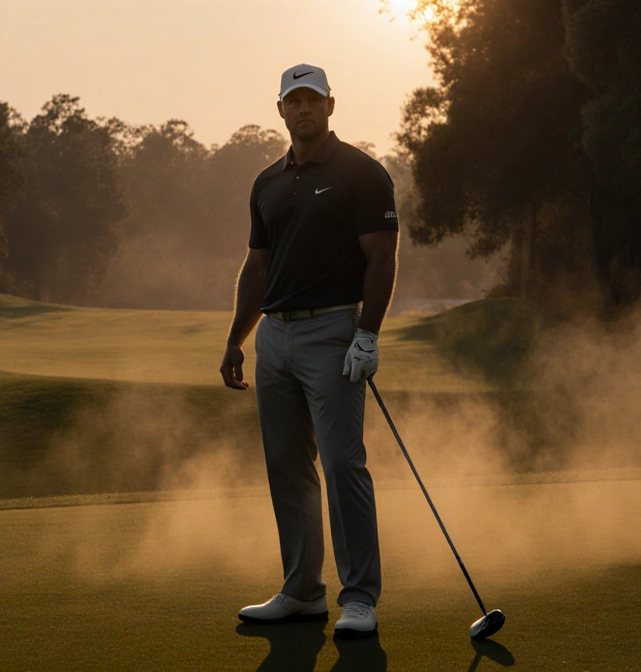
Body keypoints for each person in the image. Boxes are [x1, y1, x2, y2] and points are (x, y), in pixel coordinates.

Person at [219, 63, 399, 639]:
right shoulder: (267, 182)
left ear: (330, 105)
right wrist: (235, 339)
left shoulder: (362, 173)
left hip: (333, 332)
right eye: (293, 101)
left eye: (312, 100)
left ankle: (360, 598)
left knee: (344, 462)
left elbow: (382, 258)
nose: (303, 109)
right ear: (279, 109)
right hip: (275, 335)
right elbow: (258, 267)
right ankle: (301, 591)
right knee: (287, 465)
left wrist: (367, 333)